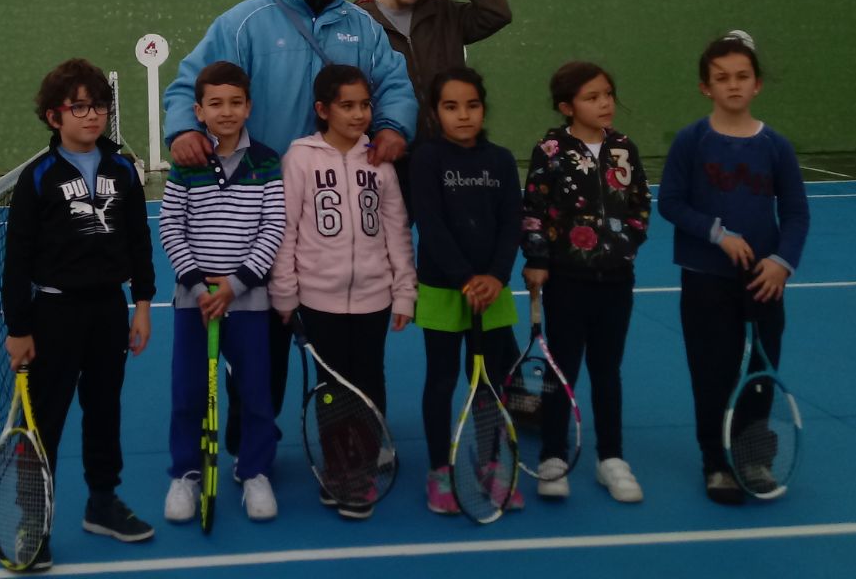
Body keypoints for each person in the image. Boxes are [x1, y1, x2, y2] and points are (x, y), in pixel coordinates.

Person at [164, 0, 417, 453]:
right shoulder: (243, 24)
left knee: (345, 350)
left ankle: (355, 439)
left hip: (335, 229)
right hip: (262, 216)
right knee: (263, 349)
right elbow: (191, 84)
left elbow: (394, 85)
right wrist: (184, 129)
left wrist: (394, 126)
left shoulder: (362, 28)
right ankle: (249, 448)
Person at [1, 58, 158, 566]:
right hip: (53, 314)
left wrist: (142, 305)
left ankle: (102, 503)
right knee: (43, 421)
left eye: (100, 107)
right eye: (80, 107)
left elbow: (139, 241)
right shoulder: (37, 178)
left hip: (109, 311)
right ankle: (33, 521)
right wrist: (18, 328)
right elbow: (16, 259)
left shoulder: (123, 171)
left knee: (105, 410)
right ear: (55, 117)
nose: (92, 116)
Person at [656, 33, 810, 506]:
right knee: (712, 374)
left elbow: (796, 213)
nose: (733, 85)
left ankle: (753, 457)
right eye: (722, 78)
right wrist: (717, 234)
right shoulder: (691, 141)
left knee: (760, 373)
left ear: (757, 84)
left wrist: (782, 262)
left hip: (764, 283)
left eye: (742, 77)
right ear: (706, 87)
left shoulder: (776, 146)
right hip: (705, 279)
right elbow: (670, 203)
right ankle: (716, 463)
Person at [269, 64, 416, 518]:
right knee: (332, 387)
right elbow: (286, 230)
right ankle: (339, 467)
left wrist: (404, 290)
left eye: (365, 105)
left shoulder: (379, 161)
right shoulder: (299, 159)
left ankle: (364, 464)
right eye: (347, 106)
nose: (359, 114)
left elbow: (397, 229)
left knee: (370, 381)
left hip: (375, 298)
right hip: (318, 299)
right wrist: (285, 292)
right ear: (322, 110)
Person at [158, 61, 286, 524]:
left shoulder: (266, 161)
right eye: (216, 103)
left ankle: (254, 471)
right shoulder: (185, 164)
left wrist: (234, 285)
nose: (226, 111)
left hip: (247, 299)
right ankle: (185, 474)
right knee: (188, 392)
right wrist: (199, 285)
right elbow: (171, 227)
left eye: (235, 102)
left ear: (248, 107)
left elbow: (274, 227)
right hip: (194, 301)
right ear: (199, 111)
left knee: (255, 392)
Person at [520, 61, 652, 503]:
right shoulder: (551, 150)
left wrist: (626, 244)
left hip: (616, 279)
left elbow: (639, 204)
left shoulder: (624, 149)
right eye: (592, 97)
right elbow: (534, 208)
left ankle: (610, 458)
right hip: (566, 281)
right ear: (567, 106)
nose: (604, 103)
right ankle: (553, 456)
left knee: (607, 370)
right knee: (562, 368)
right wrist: (537, 257)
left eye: (608, 94)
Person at [409, 66, 524, 515]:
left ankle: (492, 462)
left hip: (492, 292)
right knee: (441, 381)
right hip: (443, 290)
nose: (463, 115)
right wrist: (464, 278)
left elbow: (511, 224)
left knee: (491, 383)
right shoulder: (426, 159)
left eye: (472, 105)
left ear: (483, 109)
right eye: (451, 106)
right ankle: (440, 469)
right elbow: (431, 225)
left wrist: (496, 276)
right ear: (435, 113)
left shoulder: (501, 160)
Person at [355, 0, 512, 215]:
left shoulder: (446, 13)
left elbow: (497, 13)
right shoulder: (358, 21)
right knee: (388, 241)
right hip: (388, 159)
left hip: (449, 156)